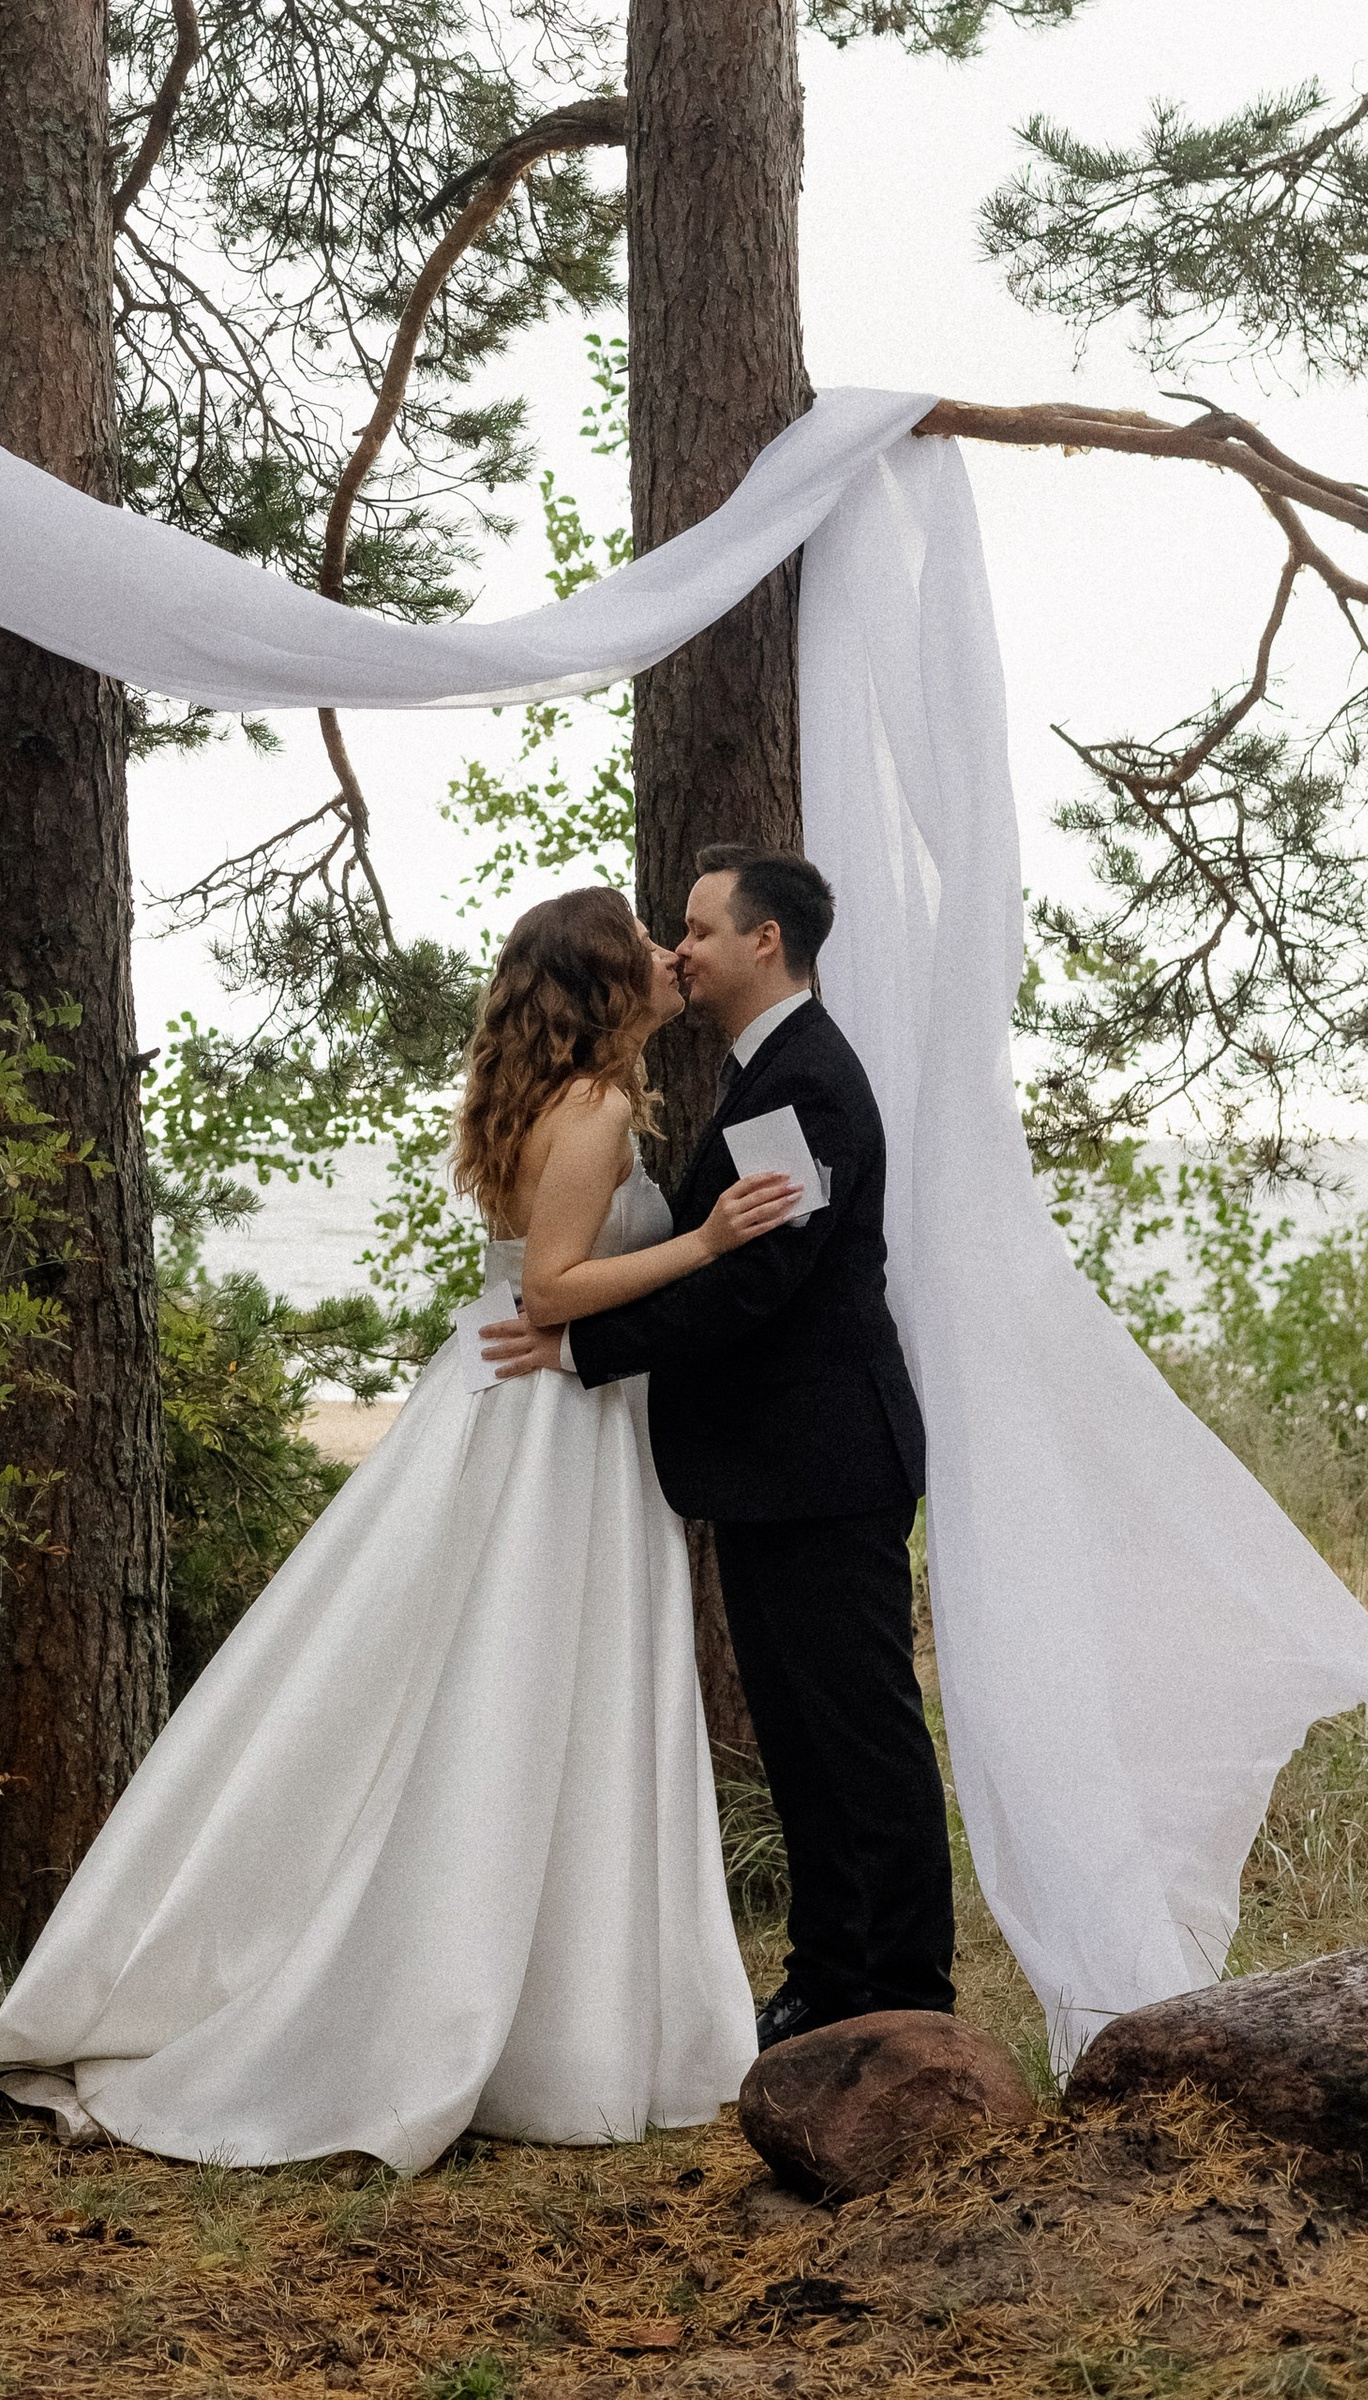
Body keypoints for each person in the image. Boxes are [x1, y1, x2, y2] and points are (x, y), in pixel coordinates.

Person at [0, 885, 789, 2170]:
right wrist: (709, 1245)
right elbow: (554, 1290)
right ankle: (482, 2011)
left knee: (505, 1695)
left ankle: (561, 2005)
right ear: (602, 984)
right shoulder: (597, 1109)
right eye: (643, 943)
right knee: (511, 1697)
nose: (667, 954)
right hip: (542, 1426)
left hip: (536, 1410)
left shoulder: (558, 1098)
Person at [483, 845, 955, 2047]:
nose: (677, 948)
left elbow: (765, 1285)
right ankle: (829, 1976)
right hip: (768, 1465)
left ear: (765, 943)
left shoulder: (802, 1082)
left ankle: (902, 1988)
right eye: (671, 934)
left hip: (822, 1459)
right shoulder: (760, 1074)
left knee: (855, 1728)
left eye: (695, 929)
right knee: (800, 1733)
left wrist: (589, 1353)